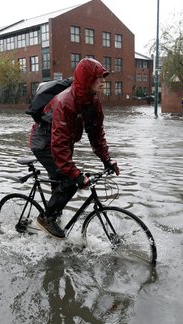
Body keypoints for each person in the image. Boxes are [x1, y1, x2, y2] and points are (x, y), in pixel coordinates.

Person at [29, 58, 120, 239]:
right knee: (69, 181)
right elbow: (58, 145)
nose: (103, 82)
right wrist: (76, 175)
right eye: (99, 78)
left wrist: (106, 160)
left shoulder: (93, 101)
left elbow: (96, 133)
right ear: (87, 79)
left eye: (103, 78)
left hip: (62, 142)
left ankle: (51, 227)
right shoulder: (65, 102)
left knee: (63, 181)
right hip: (45, 143)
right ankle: (46, 219)